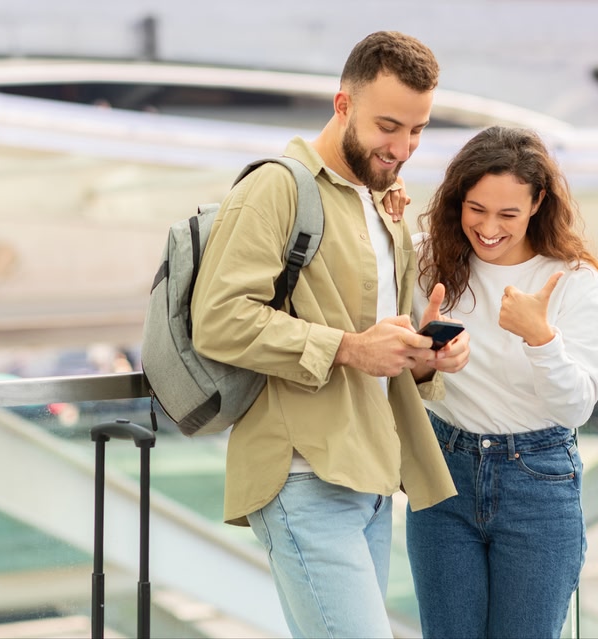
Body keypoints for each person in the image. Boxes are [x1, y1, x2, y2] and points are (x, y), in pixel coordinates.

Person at [190, 31, 469, 638]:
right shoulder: (277, 187)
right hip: (302, 474)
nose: (402, 147)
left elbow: (372, 341)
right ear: (343, 105)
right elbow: (219, 318)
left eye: (418, 130)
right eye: (388, 126)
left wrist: (422, 356)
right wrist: (350, 347)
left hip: (369, 476)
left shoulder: (378, 199)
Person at [406, 125, 598, 639]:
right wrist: (426, 363)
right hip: (442, 473)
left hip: (538, 482)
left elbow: (576, 408)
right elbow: (396, 366)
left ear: (538, 202)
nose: (489, 228)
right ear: (458, 198)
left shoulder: (574, 280)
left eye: (508, 214)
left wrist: (540, 338)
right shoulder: (424, 260)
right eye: (476, 209)